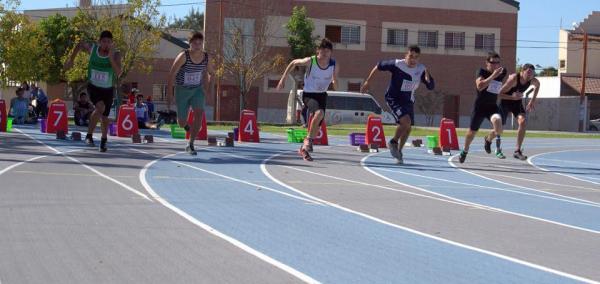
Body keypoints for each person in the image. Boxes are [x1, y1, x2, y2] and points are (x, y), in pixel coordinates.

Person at [361, 45, 434, 164]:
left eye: (416, 58)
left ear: (418, 59)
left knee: (408, 128)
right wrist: (368, 81)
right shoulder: (397, 64)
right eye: (410, 56)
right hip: (393, 98)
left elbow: (431, 87)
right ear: (406, 56)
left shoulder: (421, 69)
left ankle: (399, 152)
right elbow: (378, 65)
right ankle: (393, 142)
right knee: (406, 122)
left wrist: (428, 79)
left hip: (408, 100)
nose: (413, 60)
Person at [277, 38, 339, 161]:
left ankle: (304, 149)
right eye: (323, 51)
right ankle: (308, 140)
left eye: (328, 51)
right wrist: (283, 79)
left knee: (317, 128)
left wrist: (335, 82)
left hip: (322, 95)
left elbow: (336, 85)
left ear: (331, 52)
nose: (325, 54)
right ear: (318, 51)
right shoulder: (311, 61)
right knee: (319, 113)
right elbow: (293, 63)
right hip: (309, 94)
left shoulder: (334, 64)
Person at [64, 30, 122, 152]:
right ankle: (89, 136)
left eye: (109, 42)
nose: (106, 44)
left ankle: (103, 140)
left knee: (105, 118)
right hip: (94, 86)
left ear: (112, 43)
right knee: (100, 107)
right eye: (104, 42)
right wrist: (71, 60)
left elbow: (118, 73)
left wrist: (110, 58)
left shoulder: (116, 54)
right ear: (99, 42)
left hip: (108, 89)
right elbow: (80, 44)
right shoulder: (93, 50)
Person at [167, 31, 213, 155]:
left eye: (200, 43)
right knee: (181, 122)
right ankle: (186, 126)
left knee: (199, 114)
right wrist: (169, 93)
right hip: (182, 90)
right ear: (190, 44)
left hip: (197, 90)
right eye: (195, 43)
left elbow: (211, 73)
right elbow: (172, 74)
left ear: (202, 44)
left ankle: (191, 144)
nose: (197, 46)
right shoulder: (183, 56)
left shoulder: (206, 57)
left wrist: (207, 89)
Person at [458, 51, 507, 163]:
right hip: (480, 107)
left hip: (492, 107)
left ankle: (488, 139)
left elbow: (507, 84)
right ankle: (465, 150)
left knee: (499, 127)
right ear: (487, 63)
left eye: (497, 63)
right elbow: (479, 86)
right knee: (471, 133)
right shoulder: (481, 72)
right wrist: (493, 75)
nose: (495, 65)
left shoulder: (503, 72)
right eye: (493, 63)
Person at [498, 63, 540, 160]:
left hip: (516, 103)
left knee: (523, 122)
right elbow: (499, 94)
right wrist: (512, 97)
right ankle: (488, 139)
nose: (530, 75)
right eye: (528, 72)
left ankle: (517, 151)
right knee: (499, 128)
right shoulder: (513, 79)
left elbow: (538, 85)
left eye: (532, 73)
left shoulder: (532, 80)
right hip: (505, 101)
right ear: (522, 71)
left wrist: (533, 100)